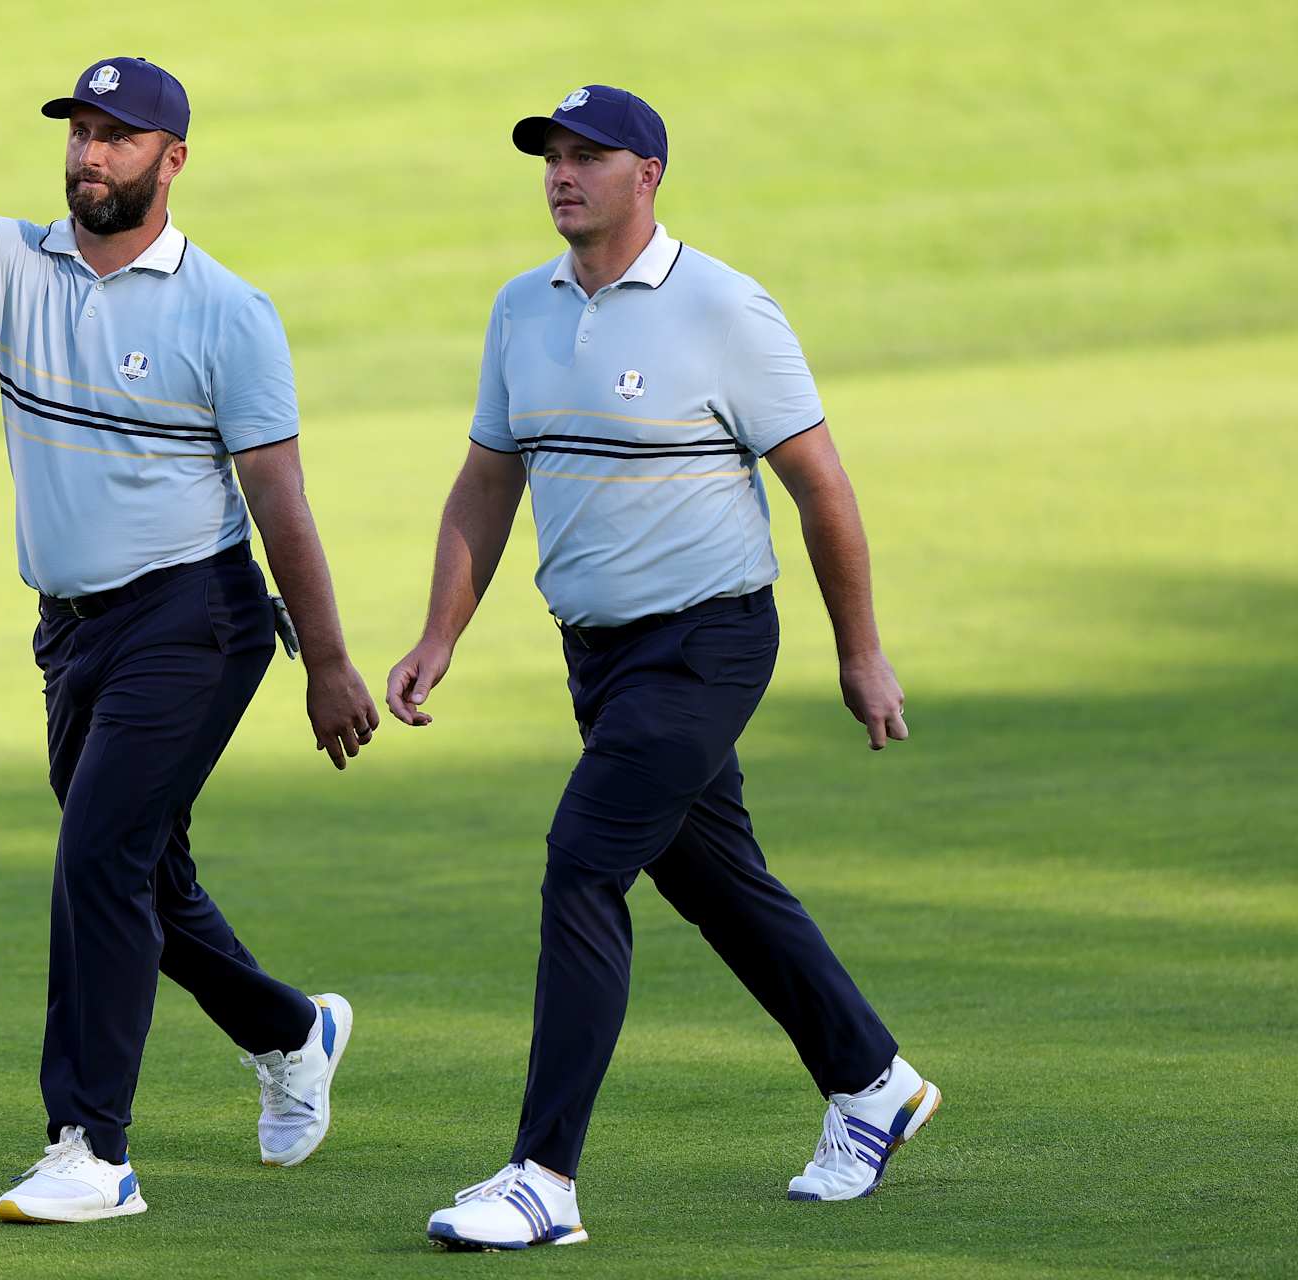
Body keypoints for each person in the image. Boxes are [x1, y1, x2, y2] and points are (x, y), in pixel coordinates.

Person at [388, 85, 939, 1251]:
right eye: (550, 154)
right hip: (598, 657)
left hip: (707, 642)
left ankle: (544, 1176)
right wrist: (441, 633)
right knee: (716, 879)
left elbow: (822, 489)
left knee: (582, 865)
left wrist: (862, 650)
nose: (561, 173)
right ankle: (872, 1079)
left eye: (589, 155)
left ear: (649, 175)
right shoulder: (520, 311)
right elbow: (488, 481)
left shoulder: (726, 309)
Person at [0, 56, 378, 1225]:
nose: (89, 154)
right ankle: (293, 1032)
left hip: (197, 618)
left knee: (96, 859)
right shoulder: (18, 264)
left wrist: (327, 661)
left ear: (171, 160)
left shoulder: (228, 312)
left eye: (117, 137)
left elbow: (280, 501)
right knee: (139, 870)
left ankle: (92, 1148)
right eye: (79, 132)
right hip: (73, 635)